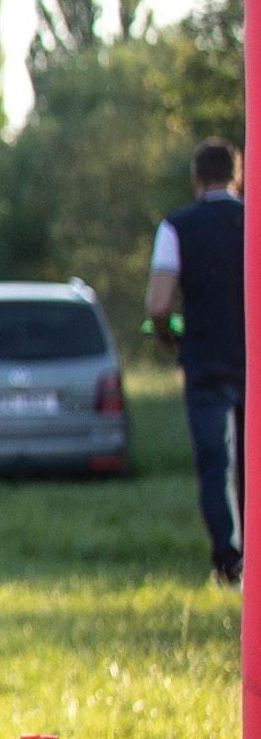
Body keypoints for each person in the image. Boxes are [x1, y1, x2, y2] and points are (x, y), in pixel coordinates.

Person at [148, 140, 243, 585]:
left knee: (215, 465)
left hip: (205, 360)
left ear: (196, 177)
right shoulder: (253, 221)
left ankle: (229, 563)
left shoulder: (176, 227)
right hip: (253, 360)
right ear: (237, 176)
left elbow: (158, 304)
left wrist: (167, 335)